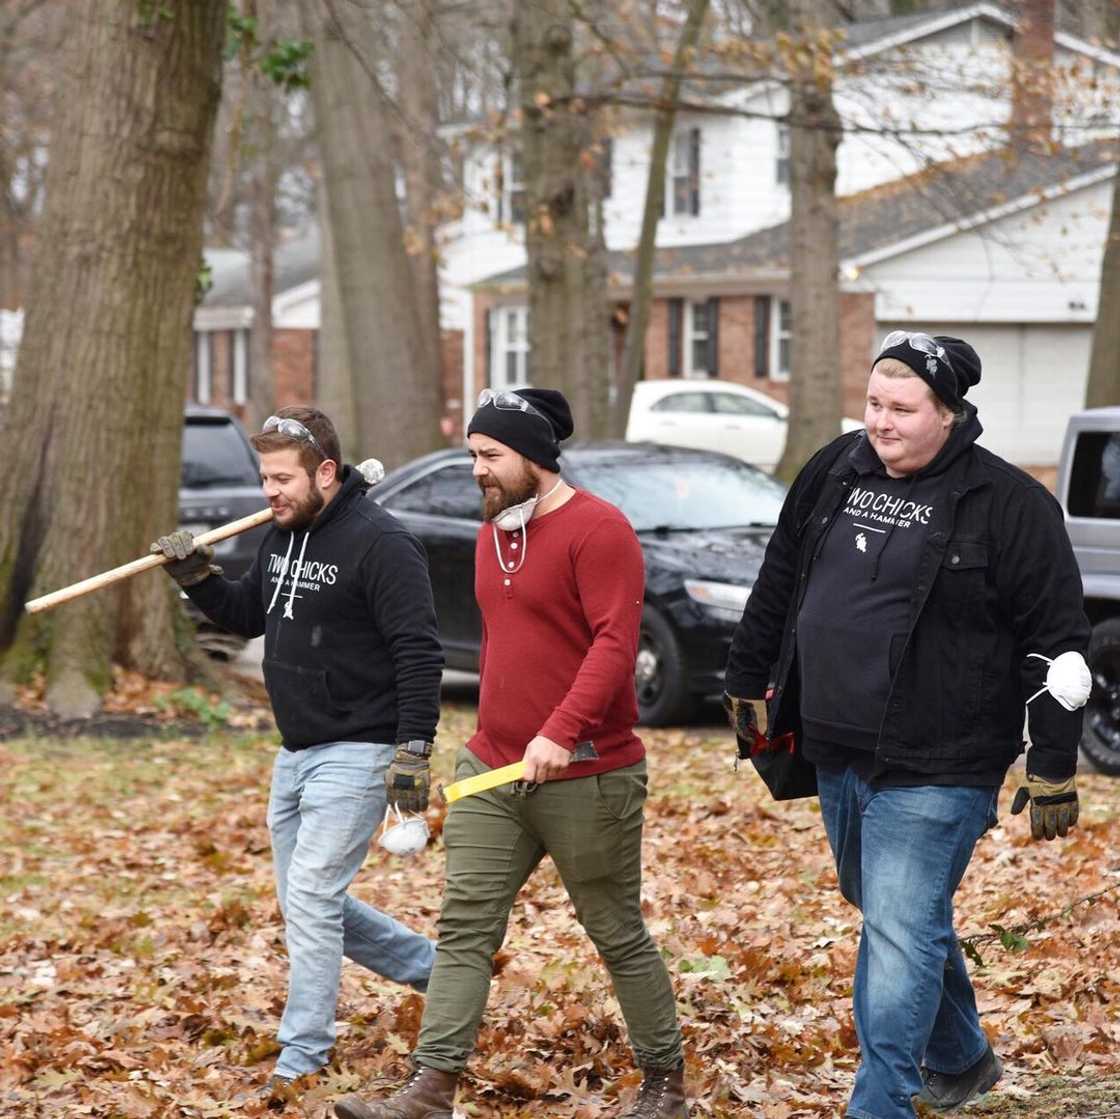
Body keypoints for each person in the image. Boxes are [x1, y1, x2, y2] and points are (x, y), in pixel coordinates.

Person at [723, 333, 1090, 1119]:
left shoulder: (1012, 505)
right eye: (873, 403)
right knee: (894, 912)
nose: (879, 422)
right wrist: (745, 680)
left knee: (895, 930)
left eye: (901, 408)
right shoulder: (834, 468)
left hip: (943, 756)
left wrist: (1053, 758)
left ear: (950, 414)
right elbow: (781, 575)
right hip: (833, 742)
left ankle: (881, 1103)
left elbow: (1058, 640)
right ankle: (962, 1057)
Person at [334, 388, 688, 1119]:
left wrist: (559, 729)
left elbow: (615, 645)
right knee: (464, 927)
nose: (478, 471)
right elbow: (503, 644)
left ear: (534, 457)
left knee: (614, 929)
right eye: (472, 455)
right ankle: (430, 1089)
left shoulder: (601, 529)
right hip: (493, 767)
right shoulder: (494, 529)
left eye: (490, 456)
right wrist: (486, 734)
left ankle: (665, 1083)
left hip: (590, 771)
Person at [151, 406, 443, 1102]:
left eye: (283, 478)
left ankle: (301, 1055)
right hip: (297, 750)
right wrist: (195, 576)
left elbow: (419, 651)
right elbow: (248, 613)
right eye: (265, 478)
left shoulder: (382, 543)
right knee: (307, 901)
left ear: (326, 472)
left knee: (311, 897)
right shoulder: (282, 536)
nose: (270, 492)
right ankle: (442, 970)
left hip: (361, 748)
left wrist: (414, 748)